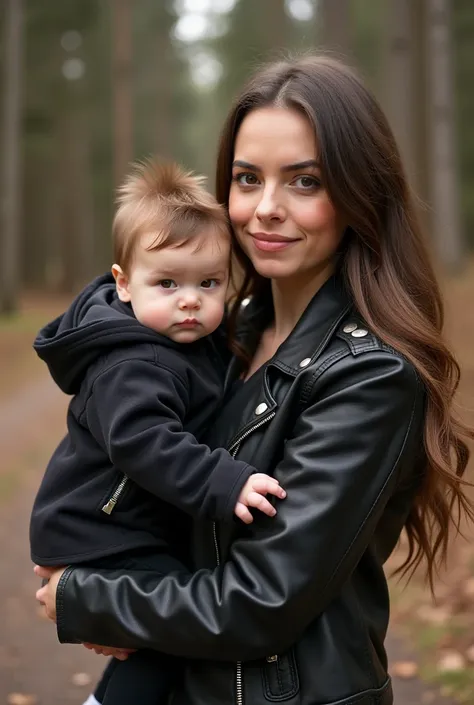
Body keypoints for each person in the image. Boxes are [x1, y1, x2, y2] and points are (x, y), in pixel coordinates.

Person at [36, 55, 473, 705]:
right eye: (247, 178)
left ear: (360, 193)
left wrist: (87, 595)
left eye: (304, 181)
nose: (265, 208)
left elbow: (258, 602)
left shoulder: (370, 378)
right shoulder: (222, 332)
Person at [29, 158, 286, 705]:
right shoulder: (134, 363)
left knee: (156, 640)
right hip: (102, 531)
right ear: (123, 284)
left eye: (208, 283)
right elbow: (144, 442)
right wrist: (224, 481)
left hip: (126, 527)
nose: (189, 299)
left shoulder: (186, 342)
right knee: (173, 633)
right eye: (167, 282)